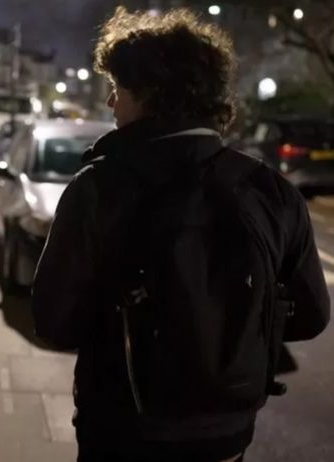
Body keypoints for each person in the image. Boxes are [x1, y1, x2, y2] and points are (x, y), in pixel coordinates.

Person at [32, 7, 329, 462]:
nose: (111, 105)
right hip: (226, 436)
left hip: (121, 432)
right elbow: (310, 316)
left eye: (117, 90)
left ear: (151, 94)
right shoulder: (269, 191)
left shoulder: (97, 189)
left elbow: (53, 323)